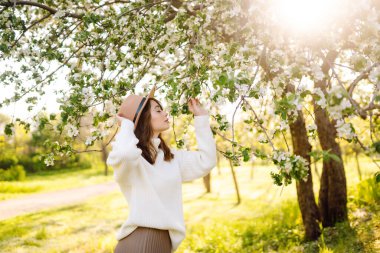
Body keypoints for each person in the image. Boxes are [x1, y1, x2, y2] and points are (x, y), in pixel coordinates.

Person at [106, 84, 217, 253]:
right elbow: (125, 154)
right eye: (158, 110)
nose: (165, 113)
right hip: (139, 243)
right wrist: (128, 125)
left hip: (161, 244)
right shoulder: (131, 161)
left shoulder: (169, 157)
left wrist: (201, 118)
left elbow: (206, 161)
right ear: (143, 119)